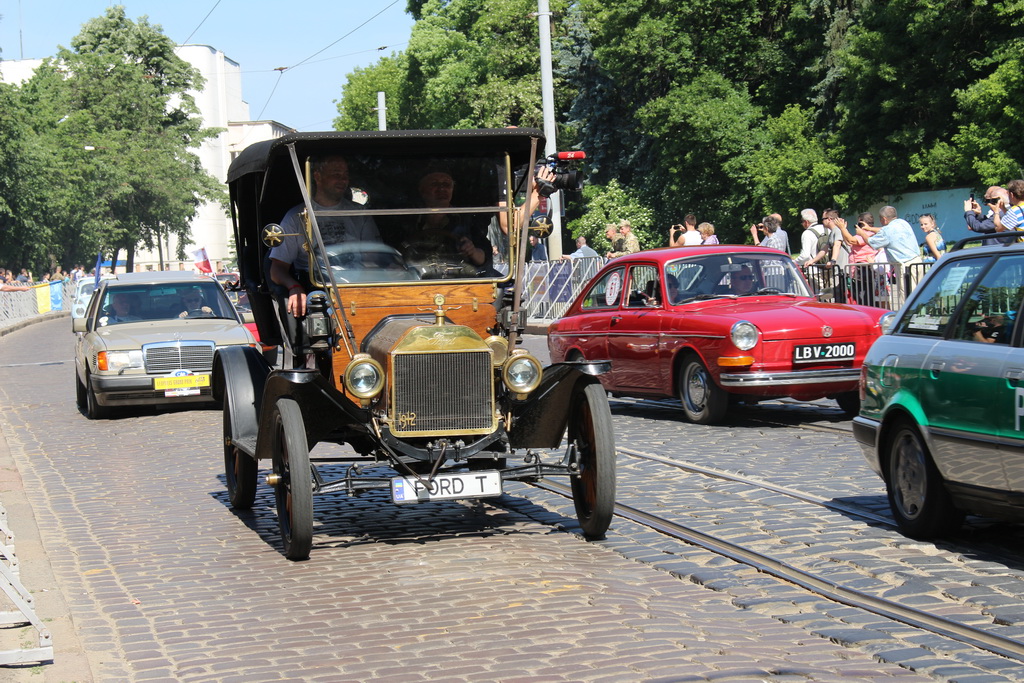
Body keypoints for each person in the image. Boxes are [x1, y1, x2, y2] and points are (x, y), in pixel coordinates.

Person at [269, 155, 380, 318]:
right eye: (336, 174)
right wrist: (294, 287)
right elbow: (277, 269)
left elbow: (374, 258)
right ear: (317, 177)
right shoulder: (296, 217)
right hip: (318, 290)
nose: (343, 180)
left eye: (346, 175)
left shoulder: (359, 214)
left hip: (357, 287)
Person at [838, 212, 879, 306]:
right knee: (861, 298)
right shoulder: (864, 234)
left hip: (864, 272)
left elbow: (852, 240)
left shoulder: (867, 234)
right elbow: (849, 242)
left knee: (866, 299)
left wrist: (843, 228)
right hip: (859, 273)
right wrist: (843, 230)